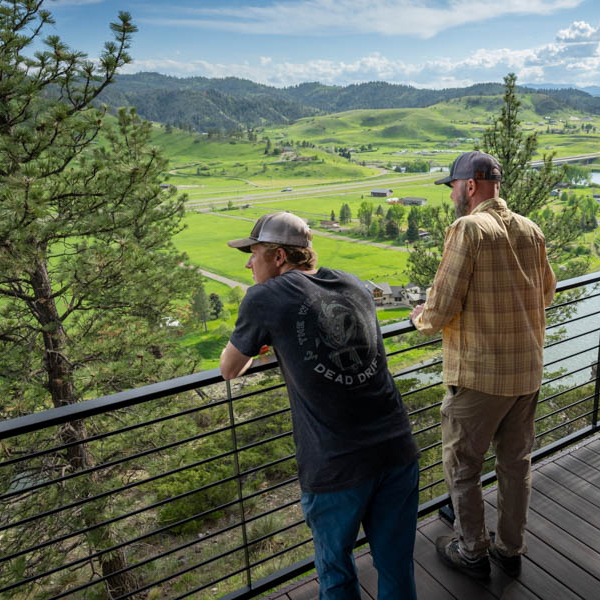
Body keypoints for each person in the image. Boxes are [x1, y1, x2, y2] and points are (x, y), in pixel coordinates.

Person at [220, 212, 420, 600]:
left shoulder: (264, 297)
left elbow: (230, 367)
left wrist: (268, 345)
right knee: (396, 565)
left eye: (254, 253)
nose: (248, 263)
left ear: (279, 257)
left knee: (335, 570)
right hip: (396, 446)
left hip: (336, 464)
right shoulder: (351, 282)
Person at [409, 151, 556, 579]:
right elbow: (546, 293)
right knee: (515, 464)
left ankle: (472, 551)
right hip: (526, 372)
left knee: (462, 464)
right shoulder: (531, 228)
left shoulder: (467, 229)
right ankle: (510, 549)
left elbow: (442, 307)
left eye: (453, 186)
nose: (453, 194)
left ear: (470, 186)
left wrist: (418, 317)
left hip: (480, 376)